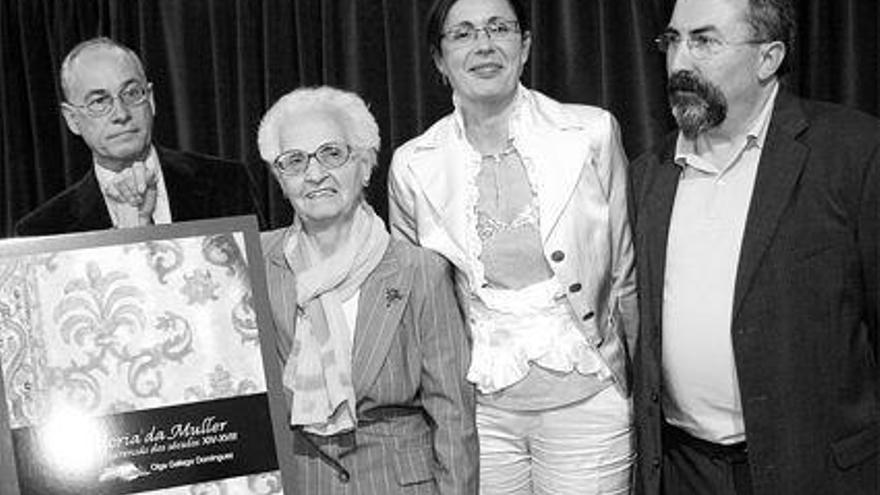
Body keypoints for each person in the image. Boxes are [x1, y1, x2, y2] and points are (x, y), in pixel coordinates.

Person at [628, 0, 880, 494]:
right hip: (683, 470)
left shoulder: (853, 153)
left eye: (704, 41)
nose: (679, 61)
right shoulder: (648, 172)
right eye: (673, 40)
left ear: (769, 58)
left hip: (817, 473)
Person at [387, 0, 637, 492]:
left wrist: (638, 386)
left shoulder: (590, 133)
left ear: (523, 46)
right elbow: (419, 310)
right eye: (462, 34)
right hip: (480, 417)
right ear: (439, 59)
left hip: (589, 406)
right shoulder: (412, 165)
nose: (483, 44)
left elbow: (625, 272)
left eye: (498, 28)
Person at [257, 86, 477, 494]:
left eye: (332, 154)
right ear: (280, 178)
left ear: (365, 164)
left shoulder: (420, 271)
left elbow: (453, 415)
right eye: (294, 161)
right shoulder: (253, 262)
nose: (314, 173)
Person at [15, 37, 262, 235]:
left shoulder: (227, 183)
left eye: (131, 93)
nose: (121, 114)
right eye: (99, 101)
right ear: (72, 119)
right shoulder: (44, 231)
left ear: (151, 99)